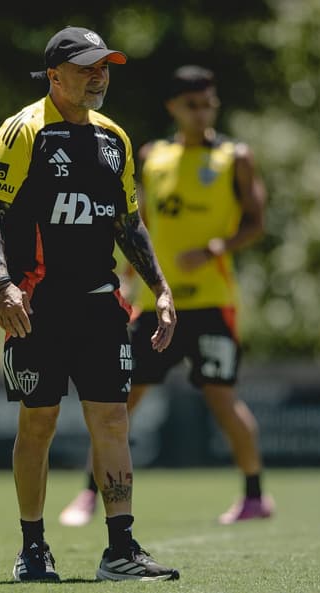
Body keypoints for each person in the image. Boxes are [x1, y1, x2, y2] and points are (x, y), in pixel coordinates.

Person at [0, 26, 180, 582]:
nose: (99, 75)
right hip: (36, 306)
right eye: (87, 66)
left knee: (112, 419)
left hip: (99, 304)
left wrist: (160, 288)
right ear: (55, 74)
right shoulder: (24, 131)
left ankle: (121, 549)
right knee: (38, 424)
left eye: (104, 66)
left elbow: (127, 220)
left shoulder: (115, 139)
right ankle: (33, 548)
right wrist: (1, 282)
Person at [59, 64, 274, 527]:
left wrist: (218, 247)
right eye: (191, 105)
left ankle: (255, 496)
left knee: (221, 397)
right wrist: (137, 279)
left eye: (208, 103)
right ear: (173, 107)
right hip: (159, 304)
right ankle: (87, 495)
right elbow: (140, 224)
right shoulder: (152, 156)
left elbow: (256, 223)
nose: (201, 113)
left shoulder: (235, 156)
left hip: (213, 300)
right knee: (119, 401)